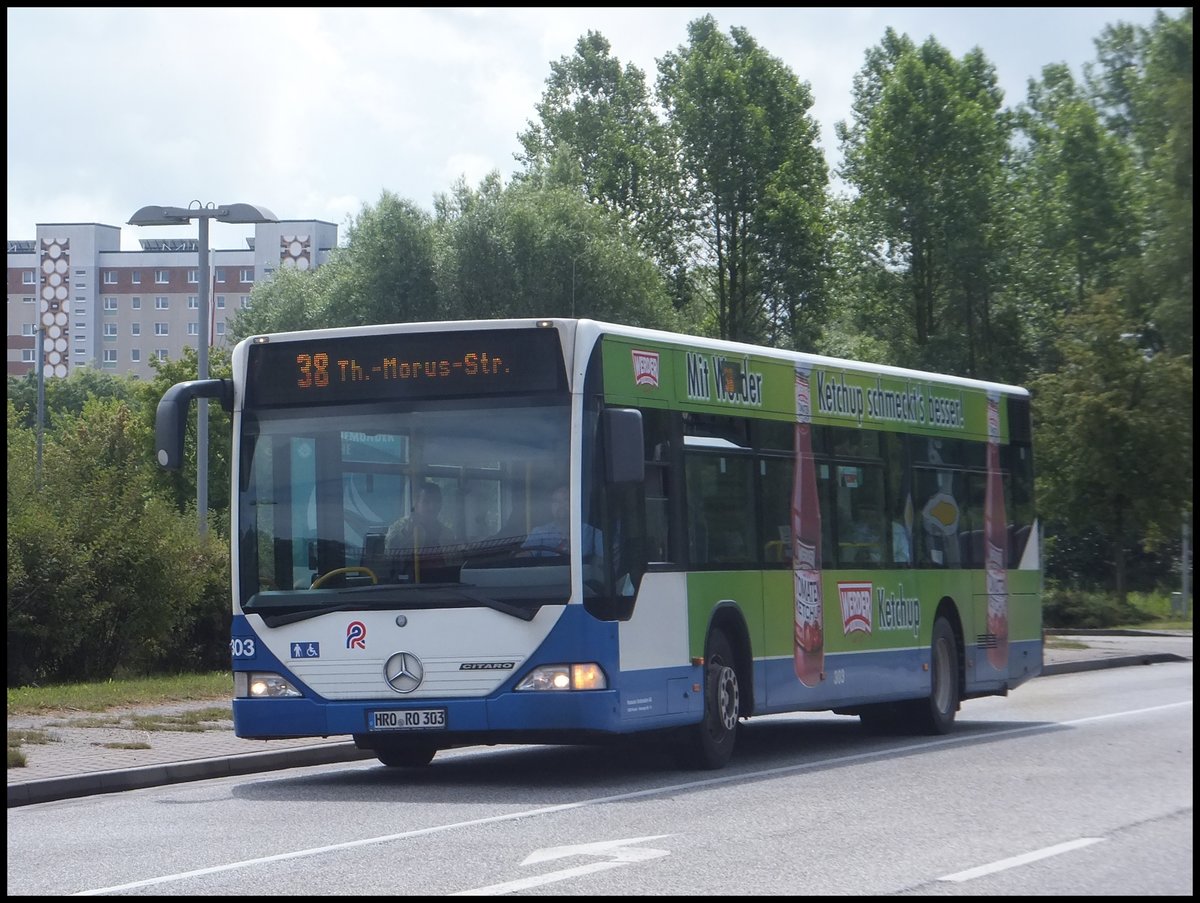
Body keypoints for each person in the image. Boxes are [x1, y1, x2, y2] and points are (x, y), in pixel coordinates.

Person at [520, 483, 603, 561]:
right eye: (556, 501)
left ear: (575, 503)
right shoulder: (539, 533)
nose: (561, 505)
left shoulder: (591, 533)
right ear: (551, 506)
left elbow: (605, 561)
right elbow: (522, 558)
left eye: (565, 500)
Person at [386, 482, 452, 553]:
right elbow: (389, 553)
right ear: (416, 504)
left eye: (436, 501)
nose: (432, 507)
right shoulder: (400, 527)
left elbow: (454, 560)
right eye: (426, 501)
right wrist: (407, 531)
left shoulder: (447, 533)